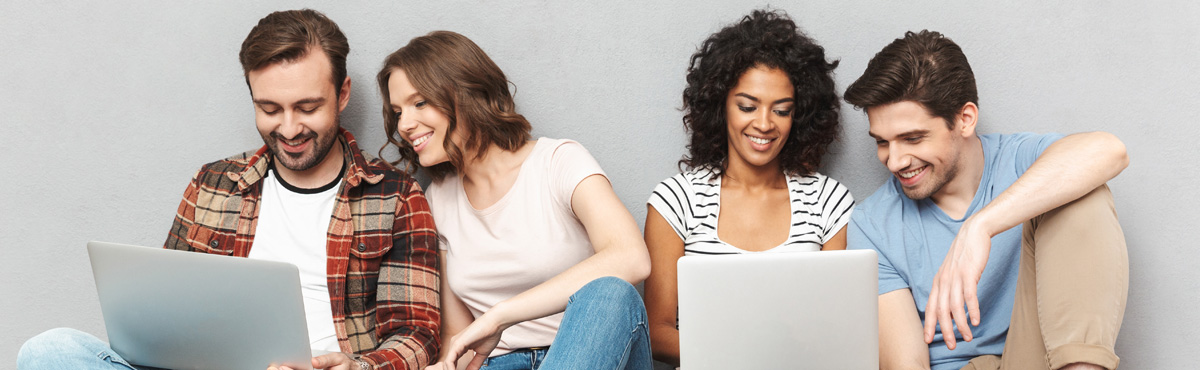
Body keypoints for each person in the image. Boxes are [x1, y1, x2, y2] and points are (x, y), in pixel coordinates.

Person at [17, 9, 440, 370]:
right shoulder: (213, 183)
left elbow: (417, 335)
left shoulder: (394, 196)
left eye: (307, 108)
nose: (289, 129)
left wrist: (359, 366)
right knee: (49, 351)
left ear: (342, 94)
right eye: (269, 109)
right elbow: (166, 306)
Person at [844, 30, 1128, 370]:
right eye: (883, 142)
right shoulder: (873, 225)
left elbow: (1109, 151)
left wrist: (980, 226)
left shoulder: (1020, 160)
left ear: (965, 119)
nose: (895, 161)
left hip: (1039, 359)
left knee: (1082, 189)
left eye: (912, 138)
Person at [376, 31, 652, 370]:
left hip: (587, 355)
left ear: (466, 93)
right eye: (397, 111)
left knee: (610, 294)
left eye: (419, 103)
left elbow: (632, 258)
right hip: (499, 363)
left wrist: (500, 317)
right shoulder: (438, 200)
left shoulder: (559, 161)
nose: (404, 124)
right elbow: (459, 335)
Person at [642, 10, 855, 367]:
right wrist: (745, 355)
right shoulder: (675, 201)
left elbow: (840, 328)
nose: (764, 124)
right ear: (720, 105)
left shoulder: (829, 203)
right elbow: (657, 333)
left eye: (782, 110)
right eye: (747, 106)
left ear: (798, 116)